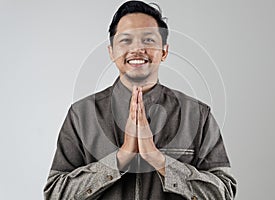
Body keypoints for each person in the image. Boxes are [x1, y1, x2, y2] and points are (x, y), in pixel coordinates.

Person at [44, 1, 237, 199]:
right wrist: (120, 158)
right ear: (111, 51)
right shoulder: (81, 114)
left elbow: (224, 192)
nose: (137, 49)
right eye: (126, 40)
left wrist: (160, 160)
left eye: (148, 40)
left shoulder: (197, 114)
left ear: (164, 51)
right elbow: (54, 194)